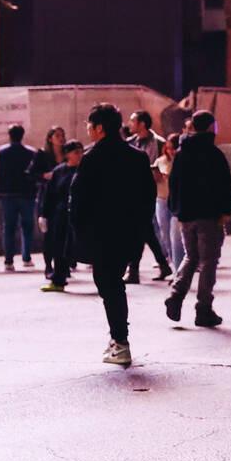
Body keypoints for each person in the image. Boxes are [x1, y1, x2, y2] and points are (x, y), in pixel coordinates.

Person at [69, 104, 156, 365]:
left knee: (109, 284)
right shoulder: (138, 157)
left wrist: (78, 230)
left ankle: (120, 341)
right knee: (113, 282)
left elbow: (78, 197)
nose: (88, 130)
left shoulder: (92, 157)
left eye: (90, 126)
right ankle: (119, 339)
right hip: (129, 232)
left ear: (99, 128)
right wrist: (140, 227)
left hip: (101, 234)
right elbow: (148, 196)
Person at [162, 111, 231, 328]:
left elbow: (173, 184)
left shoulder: (182, 153)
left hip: (186, 216)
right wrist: (226, 210)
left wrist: (177, 210)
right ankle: (204, 309)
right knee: (208, 262)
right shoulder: (214, 154)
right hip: (208, 216)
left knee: (191, 257)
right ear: (212, 127)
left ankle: (175, 295)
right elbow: (224, 185)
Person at [124, 111, 172, 283]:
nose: (129, 124)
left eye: (132, 120)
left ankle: (135, 271)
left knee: (141, 231)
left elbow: (166, 165)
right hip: (133, 193)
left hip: (153, 193)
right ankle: (159, 265)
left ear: (142, 124)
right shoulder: (129, 143)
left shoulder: (159, 143)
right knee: (145, 231)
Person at [0, 124, 37, 271]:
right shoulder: (32, 152)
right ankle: (26, 257)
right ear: (22, 135)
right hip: (27, 194)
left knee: (9, 227)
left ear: (9, 135)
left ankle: (8, 260)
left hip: (7, 194)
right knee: (28, 226)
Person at [39, 141, 83, 293]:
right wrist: (44, 215)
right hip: (61, 214)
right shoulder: (59, 171)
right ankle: (58, 279)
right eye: (76, 152)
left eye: (81, 152)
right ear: (67, 154)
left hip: (80, 213)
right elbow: (49, 195)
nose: (79, 155)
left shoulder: (84, 170)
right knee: (59, 246)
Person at [26, 126, 65, 278]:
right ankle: (49, 265)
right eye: (57, 135)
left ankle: (63, 264)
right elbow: (30, 174)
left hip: (64, 195)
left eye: (62, 135)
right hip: (47, 195)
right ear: (50, 138)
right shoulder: (42, 154)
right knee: (49, 233)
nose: (61, 138)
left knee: (63, 232)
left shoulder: (67, 153)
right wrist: (44, 176)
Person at [153, 134, 185, 272]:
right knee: (165, 235)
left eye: (174, 148)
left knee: (175, 236)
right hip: (161, 199)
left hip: (176, 201)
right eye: (169, 148)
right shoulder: (160, 161)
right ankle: (173, 263)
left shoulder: (182, 161)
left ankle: (179, 269)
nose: (171, 151)